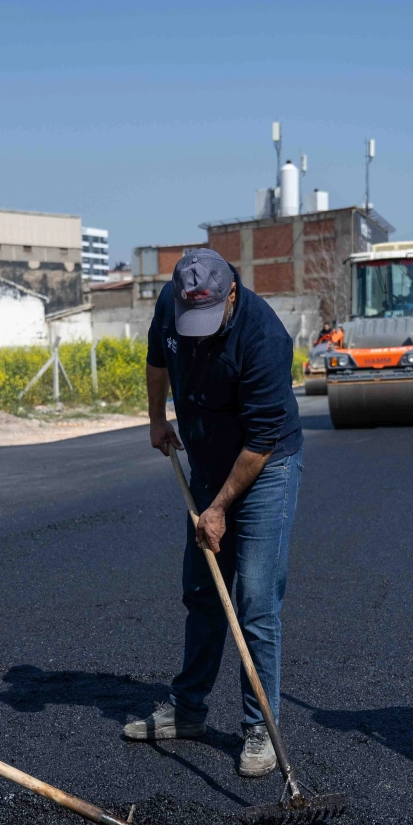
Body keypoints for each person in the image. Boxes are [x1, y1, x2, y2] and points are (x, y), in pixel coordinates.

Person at [125, 248, 304, 777]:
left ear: (232, 292)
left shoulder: (265, 339)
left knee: (254, 599)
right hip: (205, 460)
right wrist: (157, 419)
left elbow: (264, 438)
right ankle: (188, 710)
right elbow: (159, 358)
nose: (197, 333)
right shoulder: (173, 302)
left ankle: (259, 727)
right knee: (203, 591)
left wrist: (220, 507)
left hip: (264, 465)